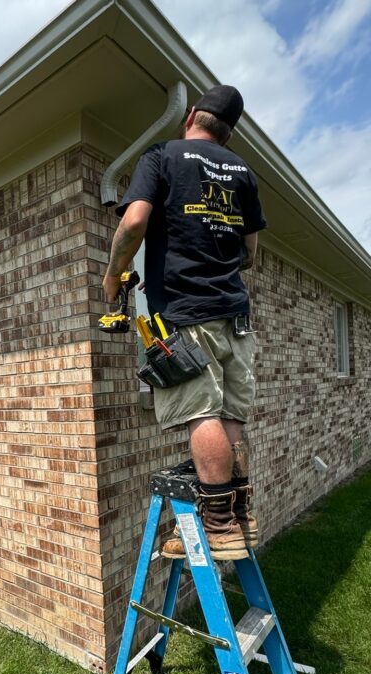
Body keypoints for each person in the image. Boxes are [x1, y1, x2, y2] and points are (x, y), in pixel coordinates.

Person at [103, 85, 266, 561]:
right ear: (228, 130)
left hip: (187, 313)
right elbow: (250, 254)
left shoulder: (163, 156)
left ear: (192, 115)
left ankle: (215, 526)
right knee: (231, 416)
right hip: (236, 316)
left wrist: (114, 275)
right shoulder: (244, 174)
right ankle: (240, 517)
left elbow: (134, 223)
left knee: (202, 413)